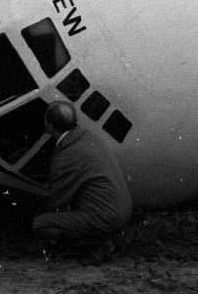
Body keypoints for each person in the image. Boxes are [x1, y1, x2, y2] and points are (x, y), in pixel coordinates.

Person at [32, 101, 132, 265]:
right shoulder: (88, 137)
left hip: (106, 218)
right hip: (122, 211)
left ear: (50, 126)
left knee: (41, 224)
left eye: (45, 120)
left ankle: (93, 247)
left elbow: (55, 200)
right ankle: (105, 239)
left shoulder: (65, 155)